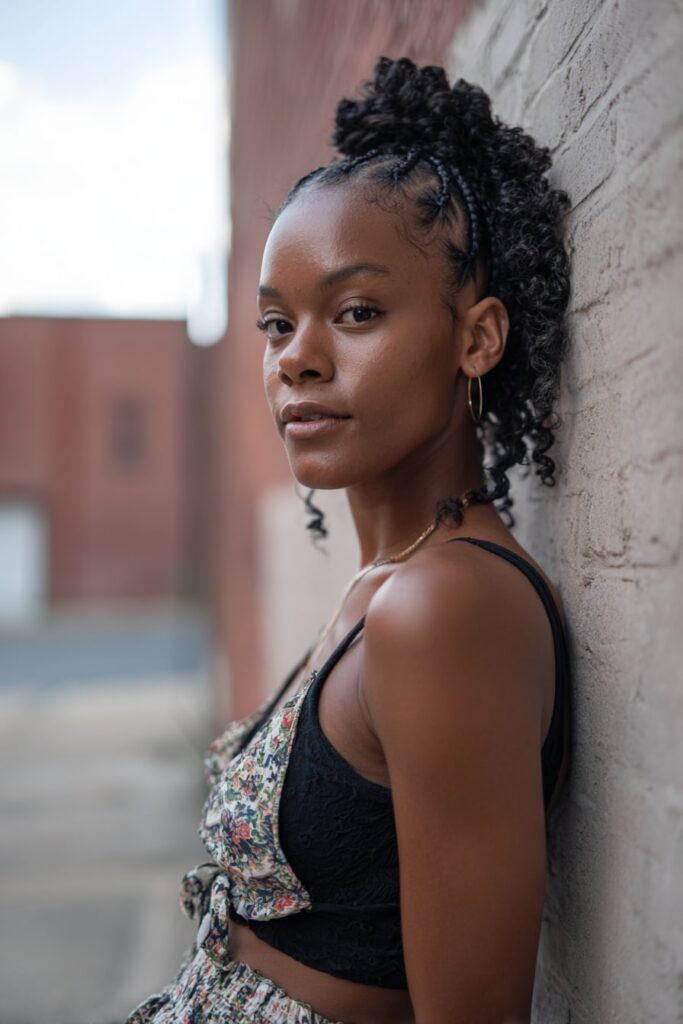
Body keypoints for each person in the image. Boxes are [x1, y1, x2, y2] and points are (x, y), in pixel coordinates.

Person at [124, 55, 571, 1024]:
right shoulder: (389, 580)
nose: (296, 358)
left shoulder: (442, 608)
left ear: (476, 338)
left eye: (355, 312)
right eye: (274, 324)